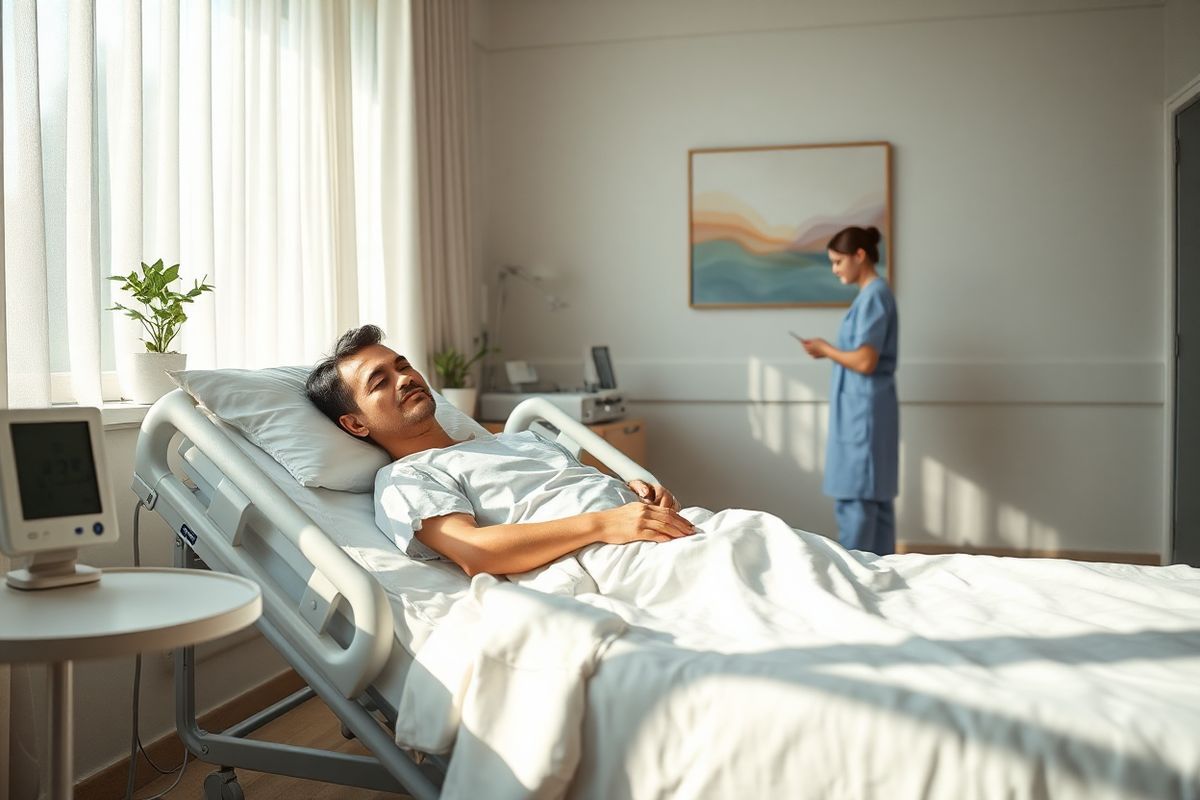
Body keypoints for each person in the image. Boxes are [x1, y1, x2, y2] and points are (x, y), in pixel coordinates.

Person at [305, 325, 696, 577]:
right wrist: (606, 523)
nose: (405, 378)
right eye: (380, 382)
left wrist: (637, 496)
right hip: (614, 561)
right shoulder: (408, 477)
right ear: (356, 424)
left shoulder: (519, 440)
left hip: (675, 534)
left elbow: (577, 493)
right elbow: (474, 551)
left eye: (402, 365)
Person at [799, 225, 899, 555]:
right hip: (868, 411)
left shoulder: (874, 297)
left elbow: (866, 360)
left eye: (839, 261)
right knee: (875, 509)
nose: (835, 269)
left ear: (860, 256)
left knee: (858, 506)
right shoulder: (874, 296)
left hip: (863, 417)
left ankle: (859, 587)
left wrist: (827, 349)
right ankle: (883, 584)